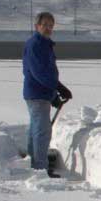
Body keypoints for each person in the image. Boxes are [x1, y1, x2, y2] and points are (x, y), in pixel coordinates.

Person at [22, 12, 72, 175]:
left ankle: (32, 162)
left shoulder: (44, 43)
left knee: (36, 128)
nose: (48, 28)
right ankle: (40, 168)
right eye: (45, 25)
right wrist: (56, 90)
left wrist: (56, 89)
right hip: (38, 93)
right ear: (37, 26)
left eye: (51, 25)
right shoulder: (36, 44)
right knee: (42, 131)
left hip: (38, 92)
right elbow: (40, 72)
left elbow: (46, 72)